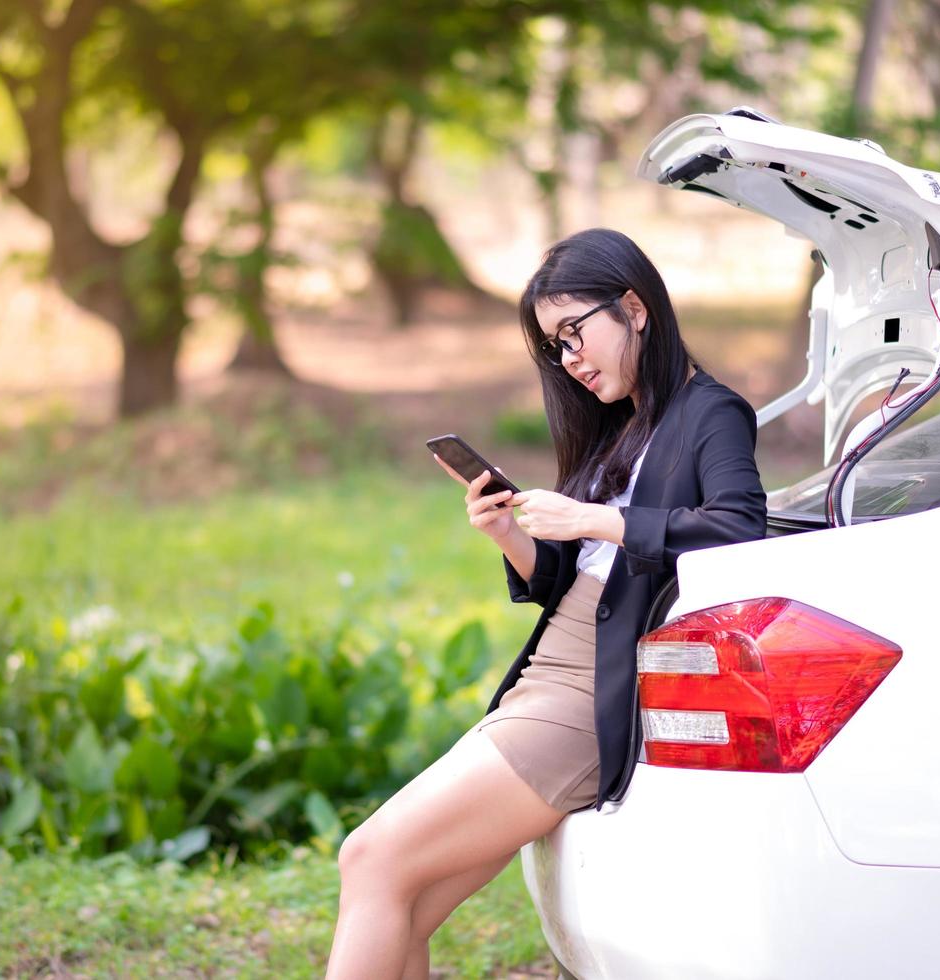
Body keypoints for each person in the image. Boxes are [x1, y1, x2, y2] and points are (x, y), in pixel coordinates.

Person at [325, 228, 768, 979]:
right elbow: (578, 580)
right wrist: (510, 535)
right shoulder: (621, 424)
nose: (570, 360)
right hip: (548, 676)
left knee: (368, 857)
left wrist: (594, 519)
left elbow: (737, 527)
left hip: (587, 695)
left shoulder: (709, 412)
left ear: (633, 307)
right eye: (554, 347)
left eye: (575, 333)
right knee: (405, 900)